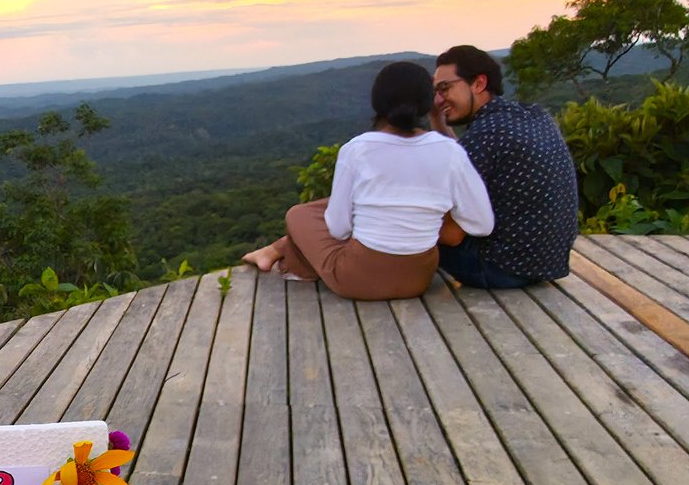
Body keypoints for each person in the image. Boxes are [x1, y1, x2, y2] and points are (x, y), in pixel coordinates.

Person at [241, 61, 494, 300]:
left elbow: (339, 228)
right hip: (419, 279)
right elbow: (482, 224)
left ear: (378, 103)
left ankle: (281, 254)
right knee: (343, 206)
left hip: (358, 280)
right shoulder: (450, 151)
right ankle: (274, 251)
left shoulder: (357, 150)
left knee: (297, 215)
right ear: (429, 103)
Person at [429, 44, 577, 288]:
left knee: (405, 234)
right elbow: (463, 160)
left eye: (445, 88)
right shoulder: (533, 115)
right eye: (434, 92)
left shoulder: (485, 133)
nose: (437, 99)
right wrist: (437, 118)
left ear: (478, 83)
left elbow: (453, 236)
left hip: (498, 268)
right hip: (547, 263)